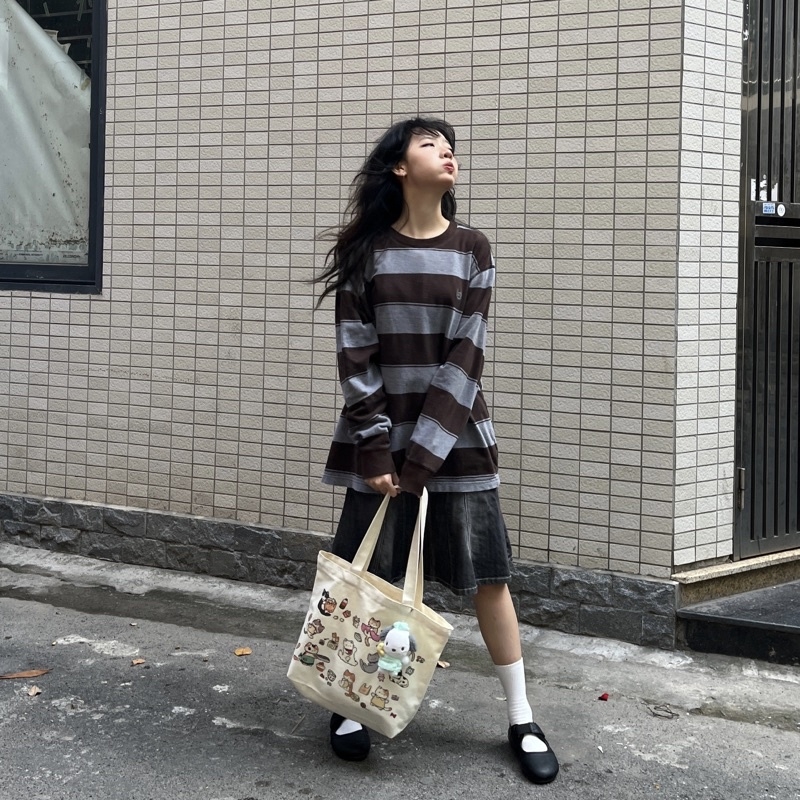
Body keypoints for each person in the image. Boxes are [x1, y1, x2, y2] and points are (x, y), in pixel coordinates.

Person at [315, 117, 559, 785]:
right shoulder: (365, 254)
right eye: (430, 144)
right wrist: (375, 448)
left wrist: (420, 457)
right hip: (377, 447)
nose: (447, 152)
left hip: (458, 443)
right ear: (399, 167)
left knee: (490, 581)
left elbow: (465, 357)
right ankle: (349, 702)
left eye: (450, 146)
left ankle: (521, 718)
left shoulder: (472, 248)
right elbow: (355, 358)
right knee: (369, 582)